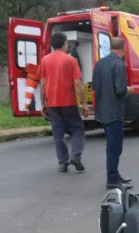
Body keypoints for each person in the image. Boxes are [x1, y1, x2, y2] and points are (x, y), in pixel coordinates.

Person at [40, 32, 89, 173]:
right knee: (78, 130)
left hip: (53, 104)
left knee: (58, 133)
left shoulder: (44, 60)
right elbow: (78, 84)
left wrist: (43, 103)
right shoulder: (71, 60)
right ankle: (76, 156)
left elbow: (43, 84)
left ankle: (63, 163)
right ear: (64, 44)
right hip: (69, 102)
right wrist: (84, 103)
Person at [92, 37, 134, 189]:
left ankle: (115, 174)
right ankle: (112, 180)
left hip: (102, 110)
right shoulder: (118, 64)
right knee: (114, 147)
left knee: (113, 145)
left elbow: (94, 86)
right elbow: (120, 89)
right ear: (122, 49)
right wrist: (128, 90)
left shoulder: (99, 63)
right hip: (114, 111)